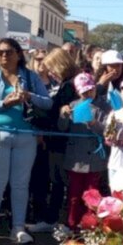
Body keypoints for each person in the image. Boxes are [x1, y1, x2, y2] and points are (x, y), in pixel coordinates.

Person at [0, 38, 52, 245]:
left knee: (20, 184)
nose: (4, 56)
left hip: (26, 135)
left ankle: (18, 228)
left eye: (9, 52)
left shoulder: (30, 76)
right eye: (0, 52)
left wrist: (29, 96)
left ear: (18, 54)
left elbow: (48, 102)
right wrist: (4, 103)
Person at [26, 48, 78, 234]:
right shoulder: (67, 84)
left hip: (62, 140)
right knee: (56, 181)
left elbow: (56, 113)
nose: (51, 73)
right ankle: (52, 218)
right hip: (57, 139)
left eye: (52, 69)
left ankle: (60, 220)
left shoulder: (69, 86)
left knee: (60, 182)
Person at [60, 73, 110, 228]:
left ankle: (91, 226)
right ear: (77, 92)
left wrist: (93, 123)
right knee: (74, 195)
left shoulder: (105, 106)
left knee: (93, 195)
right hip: (75, 158)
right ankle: (72, 225)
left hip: (94, 158)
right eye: (84, 92)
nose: (88, 94)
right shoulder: (73, 105)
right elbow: (62, 128)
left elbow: (108, 131)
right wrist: (63, 115)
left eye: (90, 90)